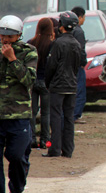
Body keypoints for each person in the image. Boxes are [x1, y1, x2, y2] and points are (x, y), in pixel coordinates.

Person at [0, 15, 37, 192]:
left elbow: (29, 80)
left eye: (10, 36)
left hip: (19, 114)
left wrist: (12, 59)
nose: (6, 39)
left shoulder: (29, 52)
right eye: (2, 36)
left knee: (16, 156)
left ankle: (17, 188)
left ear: (19, 35)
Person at [43, 12, 81, 158]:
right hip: (71, 85)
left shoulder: (58, 43)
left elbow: (51, 66)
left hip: (58, 86)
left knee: (56, 117)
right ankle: (68, 150)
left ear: (62, 26)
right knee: (69, 118)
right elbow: (77, 66)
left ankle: (55, 150)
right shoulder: (76, 44)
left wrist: (48, 82)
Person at [28, 18, 54, 149]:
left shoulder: (31, 43)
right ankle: (45, 139)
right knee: (46, 112)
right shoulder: (51, 44)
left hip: (32, 82)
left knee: (32, 112)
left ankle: (31, 138)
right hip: (46, 82)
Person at [71, 6, 88, 124]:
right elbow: (81, 50)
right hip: (77, 66)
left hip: (67, 65)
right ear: (80, 17)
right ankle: (76, 115)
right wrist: (83, 62)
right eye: (84, 17)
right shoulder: (79, 31)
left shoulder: (67, 29)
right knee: (80, 91)